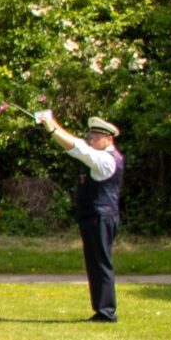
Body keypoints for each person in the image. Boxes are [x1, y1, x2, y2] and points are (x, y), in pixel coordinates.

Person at [38, 110, 123, 322]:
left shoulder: (105, 159)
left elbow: (78, 149)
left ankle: (106, 311)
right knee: (95, 262)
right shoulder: (104, 156)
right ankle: (102, 309)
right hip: (97, 216)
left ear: (108, 138)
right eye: (90, 136)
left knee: (100, 262)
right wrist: (53, 126)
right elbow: (80, 146)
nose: (91, 140)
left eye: (95, 137)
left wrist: (53, 129)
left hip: (100, 216)